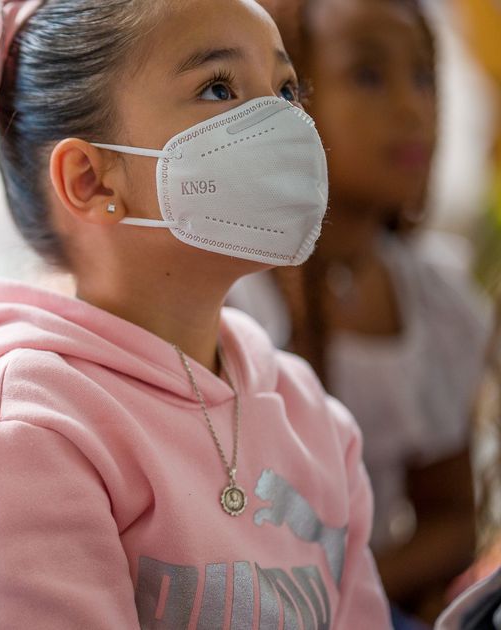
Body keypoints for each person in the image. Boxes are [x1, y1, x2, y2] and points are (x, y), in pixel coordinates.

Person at [0, 0, 391, 627]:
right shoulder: (27, 433)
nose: (282, 126)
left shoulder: (310, 414)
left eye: (287, 89)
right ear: (92, 181)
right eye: (219, 88)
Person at [228, 0, 491, 621]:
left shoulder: (435, 302)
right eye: (369, 76)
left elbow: (452, 518)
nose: (412, 109)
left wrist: (342, 598)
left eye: (424, 77)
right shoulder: (234, 294)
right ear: (282, 101)